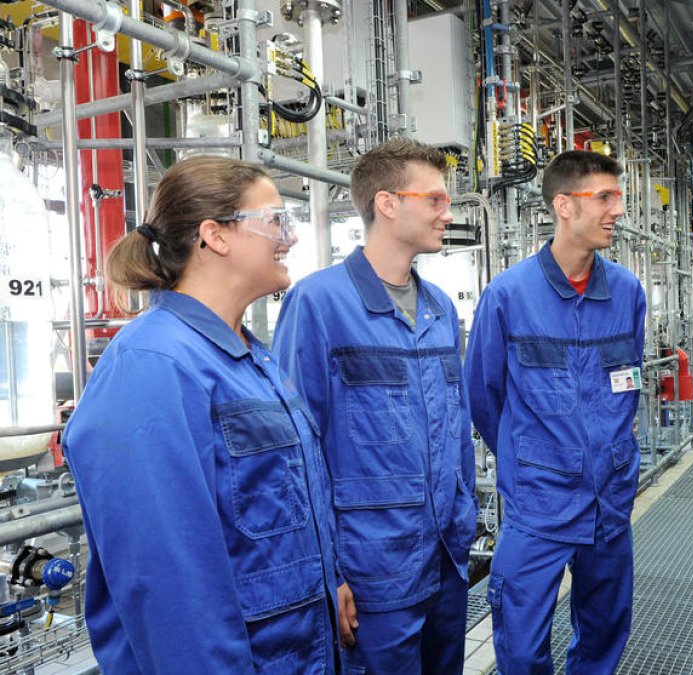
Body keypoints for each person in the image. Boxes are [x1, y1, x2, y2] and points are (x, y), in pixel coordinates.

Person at [63, 156, 340, 672]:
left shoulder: (251, 358)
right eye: (276, 221)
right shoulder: (151, 366)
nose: (291, 237)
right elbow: (168, 583)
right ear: (215, 235)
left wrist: (329, 587)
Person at [273, 138, 477, 674]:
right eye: (433, 200)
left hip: (446, 558)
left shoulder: (437, 308)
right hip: (371, 570)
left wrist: (464, 512)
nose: (446, 213)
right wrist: (327, 572)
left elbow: (457, 429)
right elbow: (296, 449)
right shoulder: (318, 303)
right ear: (388, 204)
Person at [465, 150, 647, 673]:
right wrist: (533, 459)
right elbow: (484, 396)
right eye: (604, 198)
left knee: (607, 624)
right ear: (564, 205)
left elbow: (626, 381)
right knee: (521, 641)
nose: (618, 209)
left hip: (609, 500)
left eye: (619, 196)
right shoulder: (508, 295)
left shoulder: (628, 293)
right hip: (539, 503)